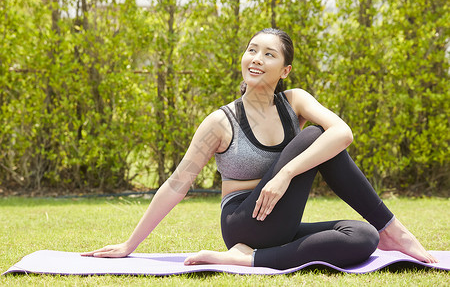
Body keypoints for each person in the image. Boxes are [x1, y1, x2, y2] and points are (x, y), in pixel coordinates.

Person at [82, 28, 437, 269]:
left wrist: (284, 174)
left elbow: (343, 133)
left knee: (363, 236)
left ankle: (249, 260)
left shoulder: (294, 102)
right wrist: (130, 245)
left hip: (279, 223)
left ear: (285, 70)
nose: (256, 58)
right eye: (252, 50)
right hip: (243, 222)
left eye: (268, 54)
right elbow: (178, 183)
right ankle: (397, 232)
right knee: (314, 136)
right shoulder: (220, 123)